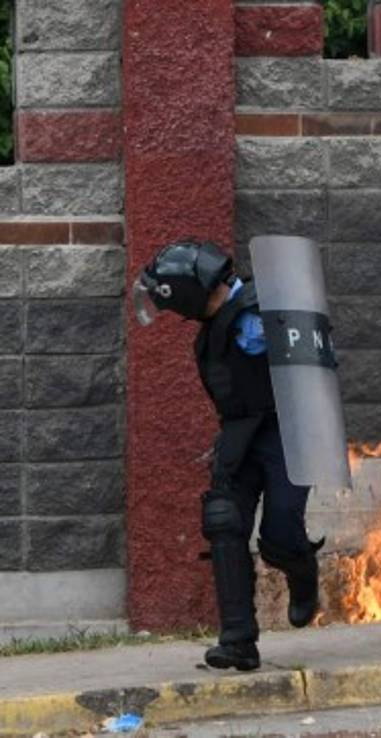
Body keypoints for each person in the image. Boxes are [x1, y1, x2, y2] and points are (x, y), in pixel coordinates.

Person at [133, 241, 322, 671]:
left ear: (188, 293)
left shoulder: (264, 310)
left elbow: (313, 361)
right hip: (240, 434)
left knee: (279, 537)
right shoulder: (215, 330)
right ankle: (238, 642)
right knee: (223, 521)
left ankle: (302, 569)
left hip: (285, 431)